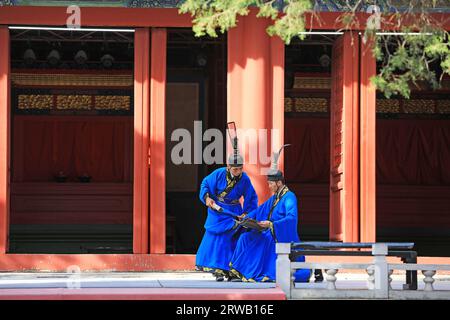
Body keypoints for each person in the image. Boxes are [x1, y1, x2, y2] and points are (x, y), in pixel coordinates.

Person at [228, 145, 311, 282]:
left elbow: (291, 218)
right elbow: (260, 210)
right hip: (269, 231)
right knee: (245, 238)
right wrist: (246, 217)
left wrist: (272, 224)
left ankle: (253, 273)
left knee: (263, 241)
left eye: (271, 184)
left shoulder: (289, 197)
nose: (269, 186)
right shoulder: (275, 197)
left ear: (278, 183)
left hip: (278, 234)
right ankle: (239, 271)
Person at [195, 126, 258, 281]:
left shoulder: (245, 179)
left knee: (233, 239)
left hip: (234, 211)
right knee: (216, 240)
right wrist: (207, 198)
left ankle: (231, 270)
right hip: (217, 210)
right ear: (228, 167)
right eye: (235, 169)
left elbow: (251, 197)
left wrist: (246, 213)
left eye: (240, 169)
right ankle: (217, 270)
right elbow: (205, 184)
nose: (238, 171)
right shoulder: (218, 174)